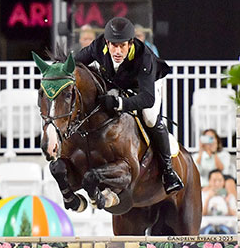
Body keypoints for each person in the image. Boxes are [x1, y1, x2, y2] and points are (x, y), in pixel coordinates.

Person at [74, 16, 184, 194]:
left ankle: (168, 171)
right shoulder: (97, 46)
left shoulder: (144, 57)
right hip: (118, 83)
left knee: (149, 117)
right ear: (107, 42)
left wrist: (119, 103)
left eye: (122, 46)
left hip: (147, 86)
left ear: (131, 43)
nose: (117, 51)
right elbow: (74, 64)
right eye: (114, 46)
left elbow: (147, 99)